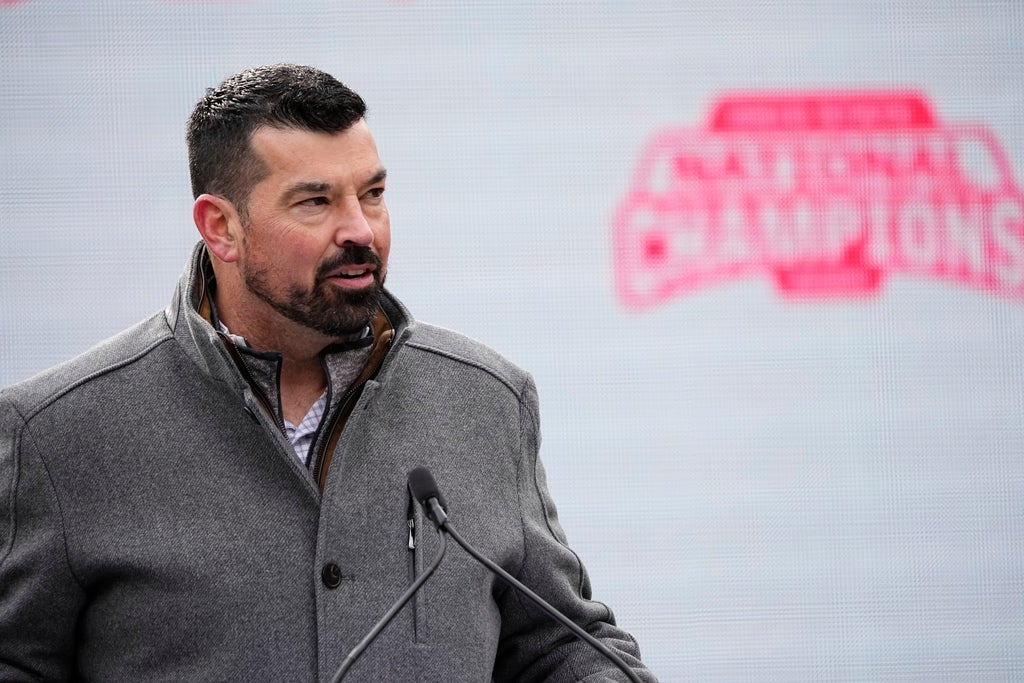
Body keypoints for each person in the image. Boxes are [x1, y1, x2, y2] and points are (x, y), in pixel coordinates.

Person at [0, 64, 656, 682]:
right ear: (220, 227)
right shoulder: (56, 434)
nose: (360, 230)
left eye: (373, 194)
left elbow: (561, 646)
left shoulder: (485, 399)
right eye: (315, 201)